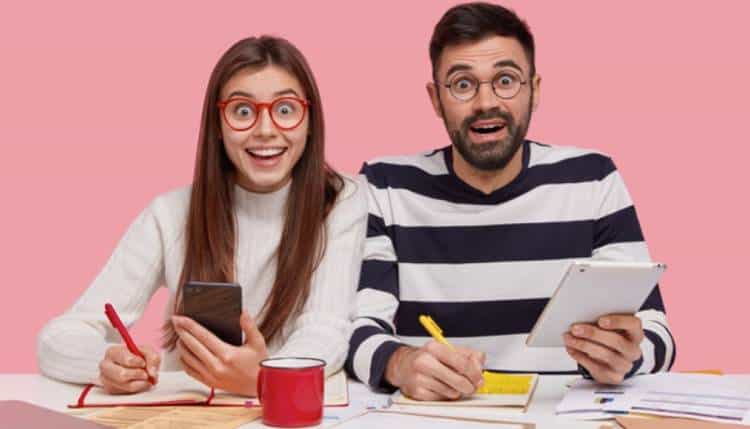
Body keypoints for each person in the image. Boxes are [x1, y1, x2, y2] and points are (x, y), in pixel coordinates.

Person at [345, 2, 674, 400]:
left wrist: (630, 355)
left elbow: (657, 330)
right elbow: (356, 329)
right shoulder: (385, 186)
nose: (486, 103)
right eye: (463, 84)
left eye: (505, 80)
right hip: (437, 417)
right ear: (435, 99)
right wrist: (400, 364)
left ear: (534, 90)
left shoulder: (593, 179)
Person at [37, 36, 366, 396]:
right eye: (242, 111)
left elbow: (326, 329)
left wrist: (264, 380)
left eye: (285, 109)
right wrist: (105, 362)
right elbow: (59, 338)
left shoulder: (342, 202)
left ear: (310, 120)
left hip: (286, 413)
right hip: (194, 412)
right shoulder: (172, 212)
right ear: (218, 126)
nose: (266, 130)